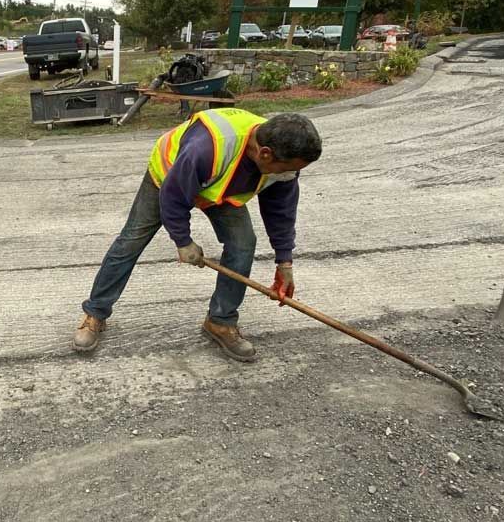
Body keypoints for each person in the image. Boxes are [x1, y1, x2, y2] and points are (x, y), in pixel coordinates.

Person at [73, 109, 322, 361]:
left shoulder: (285, 159)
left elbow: (281, 212)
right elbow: (172, 197)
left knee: (243, 243)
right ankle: (96, 312)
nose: (290, 174)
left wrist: (284, 260)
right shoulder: (207, 148)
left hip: (218, 186)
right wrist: (183, 241)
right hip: (170, 176)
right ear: (264, 153)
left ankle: (221, 321)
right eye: (288, 169)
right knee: (131, 241)